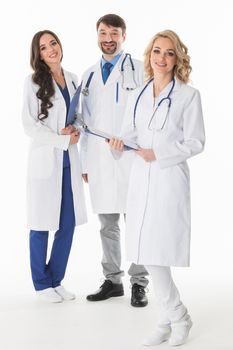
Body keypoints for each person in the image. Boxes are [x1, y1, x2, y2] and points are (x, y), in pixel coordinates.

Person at [109, 30, 205, 346]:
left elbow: (196, 141)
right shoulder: (138, 93)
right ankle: (168, 319)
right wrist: (118, 143)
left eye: (169, 53)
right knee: (147, 249)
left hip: (168, 179)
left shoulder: (189, 96)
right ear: (149, 55)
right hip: (140, 179)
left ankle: (177, 317)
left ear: (178, 58)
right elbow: (128, 134)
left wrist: (159, 153)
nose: (161, 58)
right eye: (156, 52)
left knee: (157, 248)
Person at [80, 14, 149, 306]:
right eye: (103, 33)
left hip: (131, 156)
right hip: (100, 159)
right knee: (107, 224)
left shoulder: (140, 68)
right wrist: (85, 163)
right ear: (97, 35)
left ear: (124, 35)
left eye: (114, 33)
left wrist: (127, 137)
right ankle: (112, 281)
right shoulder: (90, 74)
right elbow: (84, 121)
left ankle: (139, 283)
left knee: (136, 222)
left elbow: (147, 111)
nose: (108, 38)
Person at [22, 30, 87, 303]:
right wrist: (61, 138)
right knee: (40, 224)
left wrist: (76, 129)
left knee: (68, 224)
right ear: (38, 54)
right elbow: (30, 125)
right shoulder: (33, 81)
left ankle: (56, 279)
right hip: (46, 160)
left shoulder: (72, 79)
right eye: (44, 47)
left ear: (60, 45)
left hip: (68, 161)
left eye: (53, 43)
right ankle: (41, 284)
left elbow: (81, 115)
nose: (50, 49)